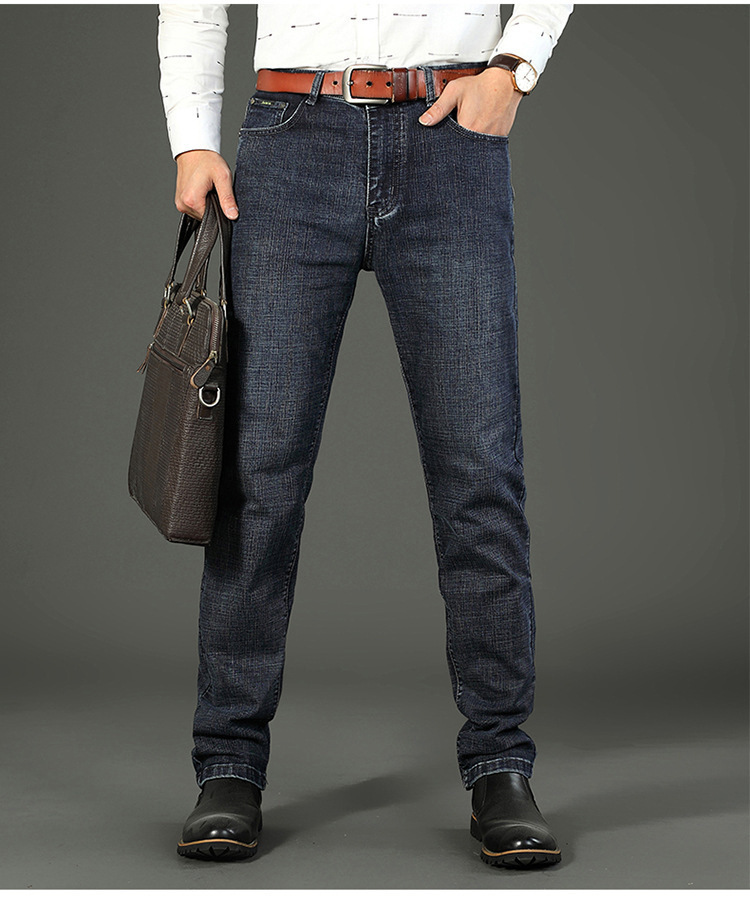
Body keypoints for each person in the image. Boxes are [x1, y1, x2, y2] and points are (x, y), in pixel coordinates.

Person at [157, 2, 573, 869]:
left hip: (450, 137)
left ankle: (501, 765)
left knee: (480, 473)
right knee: (257, 476)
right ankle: (228, 763)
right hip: (291, 138)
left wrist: (515, 67)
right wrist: (192, 138)